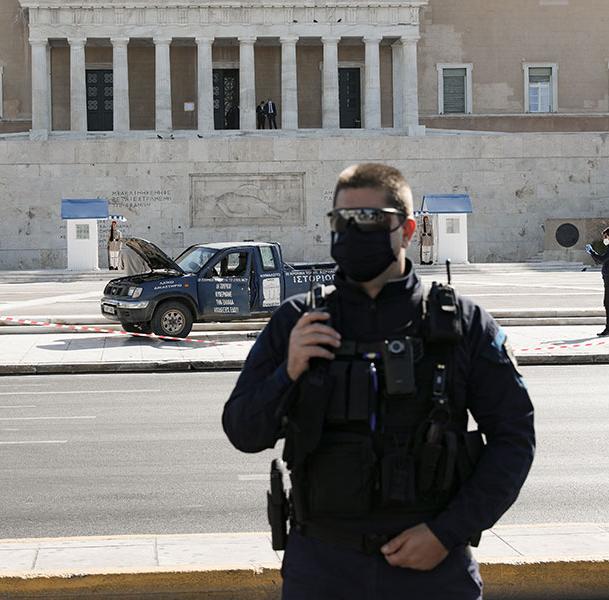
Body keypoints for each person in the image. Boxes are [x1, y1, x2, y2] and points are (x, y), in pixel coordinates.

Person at [223, 163, 535, 599]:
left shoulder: (462, 323)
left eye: (370, 219)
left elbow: (515, 438)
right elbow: (242, 430)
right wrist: (288, 372)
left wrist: (448, 532)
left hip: (433, 570)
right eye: (343, 221)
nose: (354, 231)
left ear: (406, 230)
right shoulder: (297, 321)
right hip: (322, 568)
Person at [586, 226, 609, 336]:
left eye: (605, 236)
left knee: (607, 302)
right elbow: (601, 260)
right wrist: (593, 254)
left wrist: (592, 252)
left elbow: (601, 260)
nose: (604, 239)